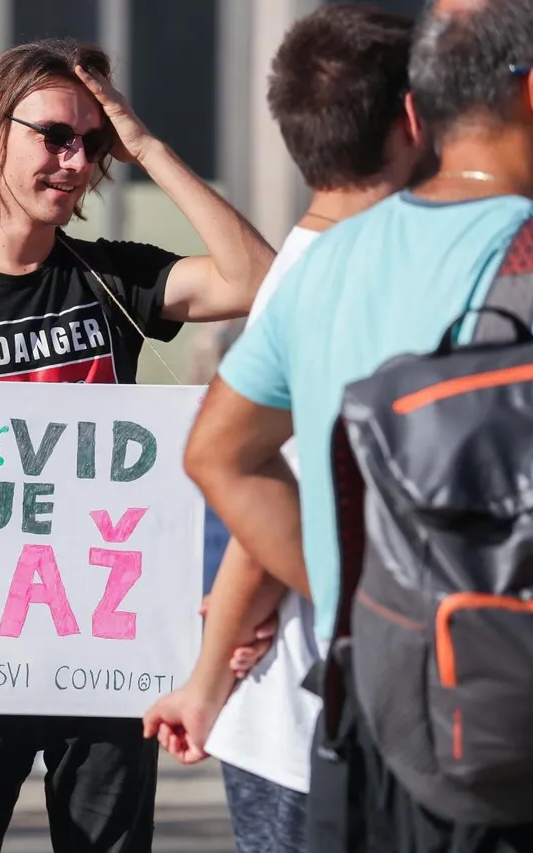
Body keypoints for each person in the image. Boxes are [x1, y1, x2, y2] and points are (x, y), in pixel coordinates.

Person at [0, 37, 274, 853]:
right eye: (54, 136)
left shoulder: (114, 275)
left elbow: (255, 279)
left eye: (92, 143)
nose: (76, 161)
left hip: (103, 657)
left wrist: (143, 144)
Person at [183, 0, 533, 849]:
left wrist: (359, 594)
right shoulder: (520, 247)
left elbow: (218, 454)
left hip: (375, 719)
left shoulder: (328, 259)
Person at [142, 6, 426, 853]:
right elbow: (269, 490)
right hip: (323, 716)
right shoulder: (359, 282)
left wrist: (210, 667)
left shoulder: (304, 273)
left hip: (286, 708)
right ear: (415, 120)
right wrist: (206, 671)